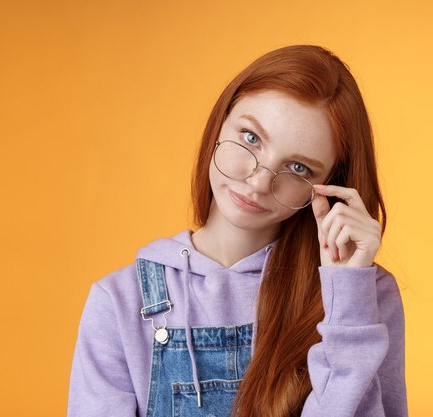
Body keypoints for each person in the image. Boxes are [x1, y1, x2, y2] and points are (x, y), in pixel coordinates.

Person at [67, 44, 408, 417]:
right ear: (220, 122)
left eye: (298, 168)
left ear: (329, 185)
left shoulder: (364, 296)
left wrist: (347, 300)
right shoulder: (119, 303)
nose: (260, 181)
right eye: (251, 138)